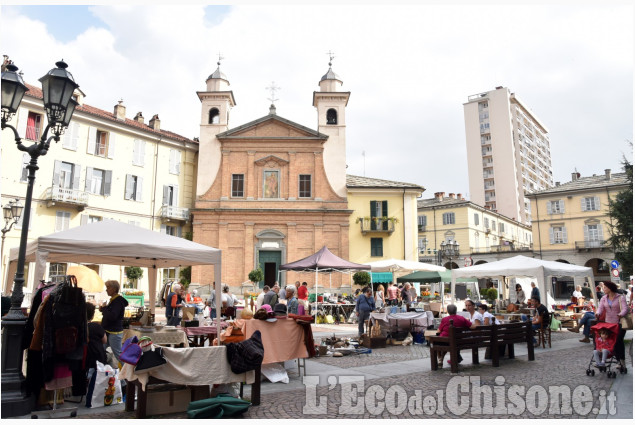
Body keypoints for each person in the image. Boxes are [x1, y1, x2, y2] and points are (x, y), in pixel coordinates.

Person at [595, 281, 629, 369]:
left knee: (618, 342)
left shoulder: (620, 297)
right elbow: (600, 308)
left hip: (619, 323)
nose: (603, 289)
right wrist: (597, 313)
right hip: (609, 324)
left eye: (605, 287)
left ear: (610, 288)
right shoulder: (604, 298)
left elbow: (625, 308)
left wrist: (620, 314)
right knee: (611, 342)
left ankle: (622, 361)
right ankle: (612, 360)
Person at [99, 280, 128, 361]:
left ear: (114, 289)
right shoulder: (114, 300)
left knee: (118, 354)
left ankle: (126, 371)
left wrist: (104, 308)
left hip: (114, 332)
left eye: (108, 287)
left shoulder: (117, 301)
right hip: (109, 331)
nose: (106, 289)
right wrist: (103, 309)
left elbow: (113, 316)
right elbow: (111, 314)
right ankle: (101, 368)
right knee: (101, 350)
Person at [85, 303, 107, 408]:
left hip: (84, 358)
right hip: (98, 357)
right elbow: (104, 341)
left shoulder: (80, 327)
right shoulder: (96, 326)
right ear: (92, 315)